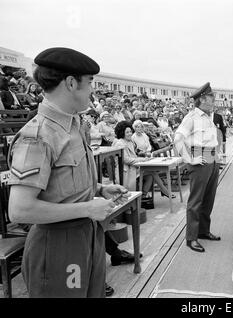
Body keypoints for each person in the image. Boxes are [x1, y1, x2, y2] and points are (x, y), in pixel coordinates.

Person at [7, 47, 129, 298]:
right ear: (72, 83)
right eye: (90, 82)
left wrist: (98, 189)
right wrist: (86, 208)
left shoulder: (72, 125)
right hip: (57, 246)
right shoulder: (38, 135)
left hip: (86, 236)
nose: (93, 90)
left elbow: (59, 183)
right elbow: (20, 210)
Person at [174, 82, 221, 253]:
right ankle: (191, 237)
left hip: (212, 157)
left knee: (208, 199)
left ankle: (203, 231)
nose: (214, 100)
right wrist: (189, 159)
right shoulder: (191, 117)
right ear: (202, 99)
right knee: (196, 200)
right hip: (199, 158)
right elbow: (178, 139)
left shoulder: (209, 115)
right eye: (211, 97)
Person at [112, 121, 175, 209]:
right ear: (122, 133)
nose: (130, 133)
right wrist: (142, 159)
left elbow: (135, 154)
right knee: (152, 172)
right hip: (125, 171)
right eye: (127, 132)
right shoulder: (120, 143)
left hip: (133, 168)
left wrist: (144, 156)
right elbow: (125, 160)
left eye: (130, 131)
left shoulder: (130, 142)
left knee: (150, 175)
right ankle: (163, 191)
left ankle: (143, 196)